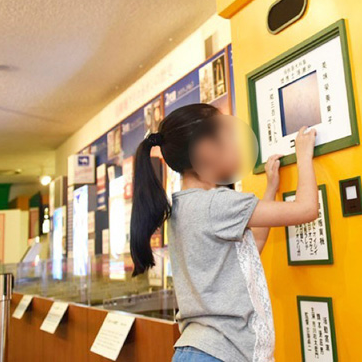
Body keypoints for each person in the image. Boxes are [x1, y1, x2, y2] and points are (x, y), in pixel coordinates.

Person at [129, 103, 320, 362]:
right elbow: (306, 209)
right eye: (227, 136)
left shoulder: (184, 208)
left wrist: (270, 189)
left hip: (200, 350)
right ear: (205, 149)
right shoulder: (215, 204)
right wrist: (304, 155)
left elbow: (250, 249)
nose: (236, 144)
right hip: (217, 353)